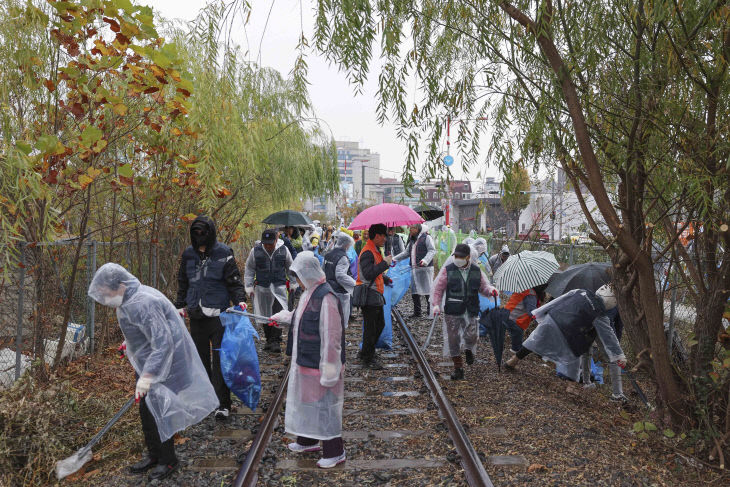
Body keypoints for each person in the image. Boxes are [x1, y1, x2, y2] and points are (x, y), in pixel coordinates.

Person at [90, 263, 218, 481]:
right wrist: (127, 344)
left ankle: (168, 460)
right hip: (150, 362)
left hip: (168, 363)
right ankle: (154, 454)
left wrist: (148, 376)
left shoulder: (143, 302)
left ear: (120, 286)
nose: (106, 298)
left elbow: (163, 343)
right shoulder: (128, 301)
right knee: (146, 410)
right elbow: (141, 332)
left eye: (107, 292)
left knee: (162, 410)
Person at [269, 252, 346, 469]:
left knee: (326, 406)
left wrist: (330, 370)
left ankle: (335, 450)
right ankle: (308, 440)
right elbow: (299, 315)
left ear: (309, 273)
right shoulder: (309, 293)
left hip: (321, 364)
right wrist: (283, 317)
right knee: (308, 402)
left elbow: (332, 337)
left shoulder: (327, 296)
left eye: (300, 276)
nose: (298, 281)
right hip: (306, 361)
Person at [174, 215, 247, 420]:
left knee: (220, 361)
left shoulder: (224, 252)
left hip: (218, 316)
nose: (199, 237)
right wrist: (180, 304)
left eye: (202, 233)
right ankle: (206, 401)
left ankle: (223, 404)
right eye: (195, 233)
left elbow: (233, 280)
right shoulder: (188, 255)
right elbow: (183, 281)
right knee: (200, 361)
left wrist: (239, 300)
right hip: (196, 316)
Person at [504, 285, 627, 382]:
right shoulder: (600, 315)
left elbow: (558, 301)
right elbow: (609, 337)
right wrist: (619, 356)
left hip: (552, 320)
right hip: (570, 335)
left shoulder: (580, 291)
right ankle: (571, 386)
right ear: (613, 302)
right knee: (574, 358)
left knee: (533, 341)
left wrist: (540, 312)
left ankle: (513, 360)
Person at [432, 244, 499, 380]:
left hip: (471, 309)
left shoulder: (476, 271)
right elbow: (438, 289)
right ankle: (458, 368)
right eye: (456, 256)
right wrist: (436, 305)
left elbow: (483, 287)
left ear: (468, 257)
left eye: (461, 257)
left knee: (472, 335)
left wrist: (491, 290)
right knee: (453, 339)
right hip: (452, 310)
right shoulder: (448, 270)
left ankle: (469, 349)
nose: (458, 259)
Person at [244, 229, 293, 354]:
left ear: (276, 240)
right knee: (265, 314)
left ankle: (276, 340)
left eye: (270, 243)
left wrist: (293, 282)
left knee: (278, 313)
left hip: (279, 287)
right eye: (266, 243)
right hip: (262, 287)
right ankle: (269, 340)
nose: (268, 246)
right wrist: (248, 286)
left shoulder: (284, 250)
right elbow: (249, 269)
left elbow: (290, 267)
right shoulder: (255, 251)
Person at [357, 223, 393, 369]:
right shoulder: (368, 252)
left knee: (378, 325)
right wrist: (385, 264)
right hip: (369, 295)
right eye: (383, 236)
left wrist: (385, 279)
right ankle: (367, 358)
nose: (385, 239)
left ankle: (366, 351)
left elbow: (373, 272)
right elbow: (368, 273)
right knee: (372, 328)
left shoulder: (375, 250)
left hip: (375, 293)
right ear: (377, 236)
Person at [394, 223, 436, 318]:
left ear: (417, 229)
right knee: (415, 291)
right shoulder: (412, 239)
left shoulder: (426, 238)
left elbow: (432, 250)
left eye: (411, 228)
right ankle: (417, 312)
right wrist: (394, 259)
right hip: (415, 269)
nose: (410, 230)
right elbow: (406, 253)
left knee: (427, 291)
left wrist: (425, 260)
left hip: (425, 269)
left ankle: (430, 311)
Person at [323, 233, 357, 328]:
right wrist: (355, 284)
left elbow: (323, 271)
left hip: (328, 289)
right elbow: (340, 276)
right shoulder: (343, 257)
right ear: (346, 245)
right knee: (341, 320)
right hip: (340, 292)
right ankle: (339, 341)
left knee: (330, 318)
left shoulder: (328, 255)